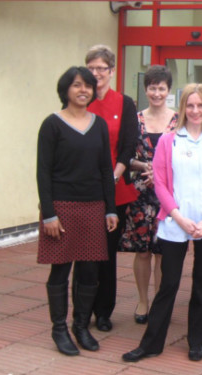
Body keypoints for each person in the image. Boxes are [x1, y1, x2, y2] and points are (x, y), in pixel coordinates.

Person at [122, 83, 202, 363]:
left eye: (201, 105)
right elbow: (160, 183)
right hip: (175, 222)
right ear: (183, 108)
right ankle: (152, 343)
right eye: (190, 105)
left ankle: (197, 341)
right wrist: (179, 217)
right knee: (168, 284)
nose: (195, 111)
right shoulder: (169, 141)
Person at [37, 66, 118, 356]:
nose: (83, 90)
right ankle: (59, 329)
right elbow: (43, 172)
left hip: (94, 207)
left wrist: (110, 209)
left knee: (89, 272)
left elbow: (105, 168)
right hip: (61, 208)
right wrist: (49, 214)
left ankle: (80, 326)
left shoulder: (97, 124)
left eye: (88, 85)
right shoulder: (52, 124)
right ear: (65, 90)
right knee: (60, 271)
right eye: (76, 85)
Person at [83, 44, 139, 332]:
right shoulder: (80, 100)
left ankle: (103, 311)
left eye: (101, 69)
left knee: (106, 252)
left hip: (115, 189)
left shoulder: (124, 103)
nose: (96, 74)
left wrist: (114, 176)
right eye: (91, 68)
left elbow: (129, 146)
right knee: (84, 252)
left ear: (112, 71)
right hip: (83, 190)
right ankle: (83, 309)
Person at [120, 65, 178, 325]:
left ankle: (159, 300)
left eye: (161, 88)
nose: (157, 93)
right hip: (141, 194)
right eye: (152, 88)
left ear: (169, 90)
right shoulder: (135, 119)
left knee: (163, 252)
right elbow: (124, 156)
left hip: (169, 194)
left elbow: (185, 155)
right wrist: (145, 166)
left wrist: (162, 172)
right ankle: (143, 300)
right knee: (142, 251)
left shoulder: (179, 120)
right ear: (145, 90)